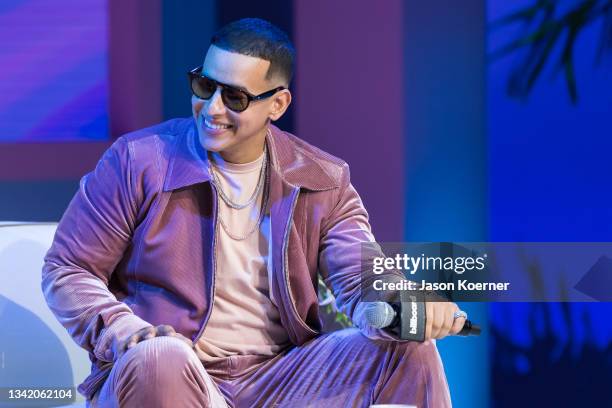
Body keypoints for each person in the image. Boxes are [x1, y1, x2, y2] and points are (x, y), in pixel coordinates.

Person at [42, 18, 464, 407]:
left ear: (277, 104)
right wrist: (123, 331)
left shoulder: (321, 178)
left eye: (236, 97)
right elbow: (68, 268)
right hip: (176, 367)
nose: (213, 109)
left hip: (282, 375)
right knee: (159, 357)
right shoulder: (138, 161)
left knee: (409, 348)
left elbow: (359, 277)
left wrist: (401, 302)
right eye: (205, 87)